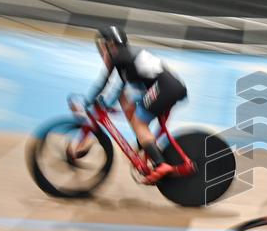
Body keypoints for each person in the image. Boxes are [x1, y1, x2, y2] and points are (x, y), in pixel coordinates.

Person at [77, 26, 188, 184]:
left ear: (111, 45)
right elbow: (120, 89)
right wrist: (107, 104)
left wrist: (85, 103)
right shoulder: (127, 56)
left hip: (164, 87)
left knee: (138, 122)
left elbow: (103, 83)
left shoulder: (119, 58)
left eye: (102, 47)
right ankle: (144, 146)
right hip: (168, 86)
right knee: (128, 103)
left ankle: (161, 164)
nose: (102, 52)